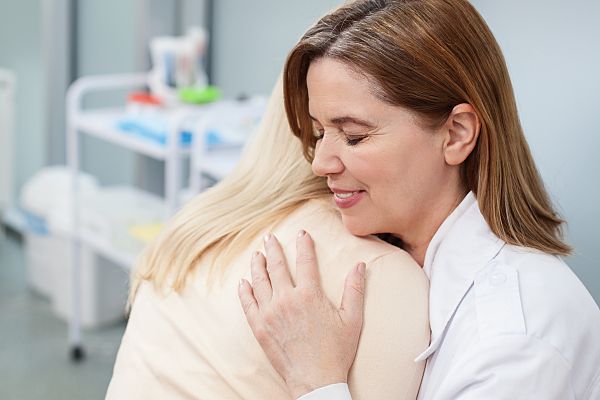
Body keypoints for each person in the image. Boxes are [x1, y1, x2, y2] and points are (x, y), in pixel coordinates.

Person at [237, 0, 600, 399]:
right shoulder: (384, 263)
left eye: (354, 136)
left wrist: (315, 380)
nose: (320, 163)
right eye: (319, 132)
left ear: (457, 134)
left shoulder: (516, 341)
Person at [105, 77, 430, 399]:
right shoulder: (382, 276)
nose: (322, 160)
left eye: (355, 136)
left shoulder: (197, 223)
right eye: (339, 134)